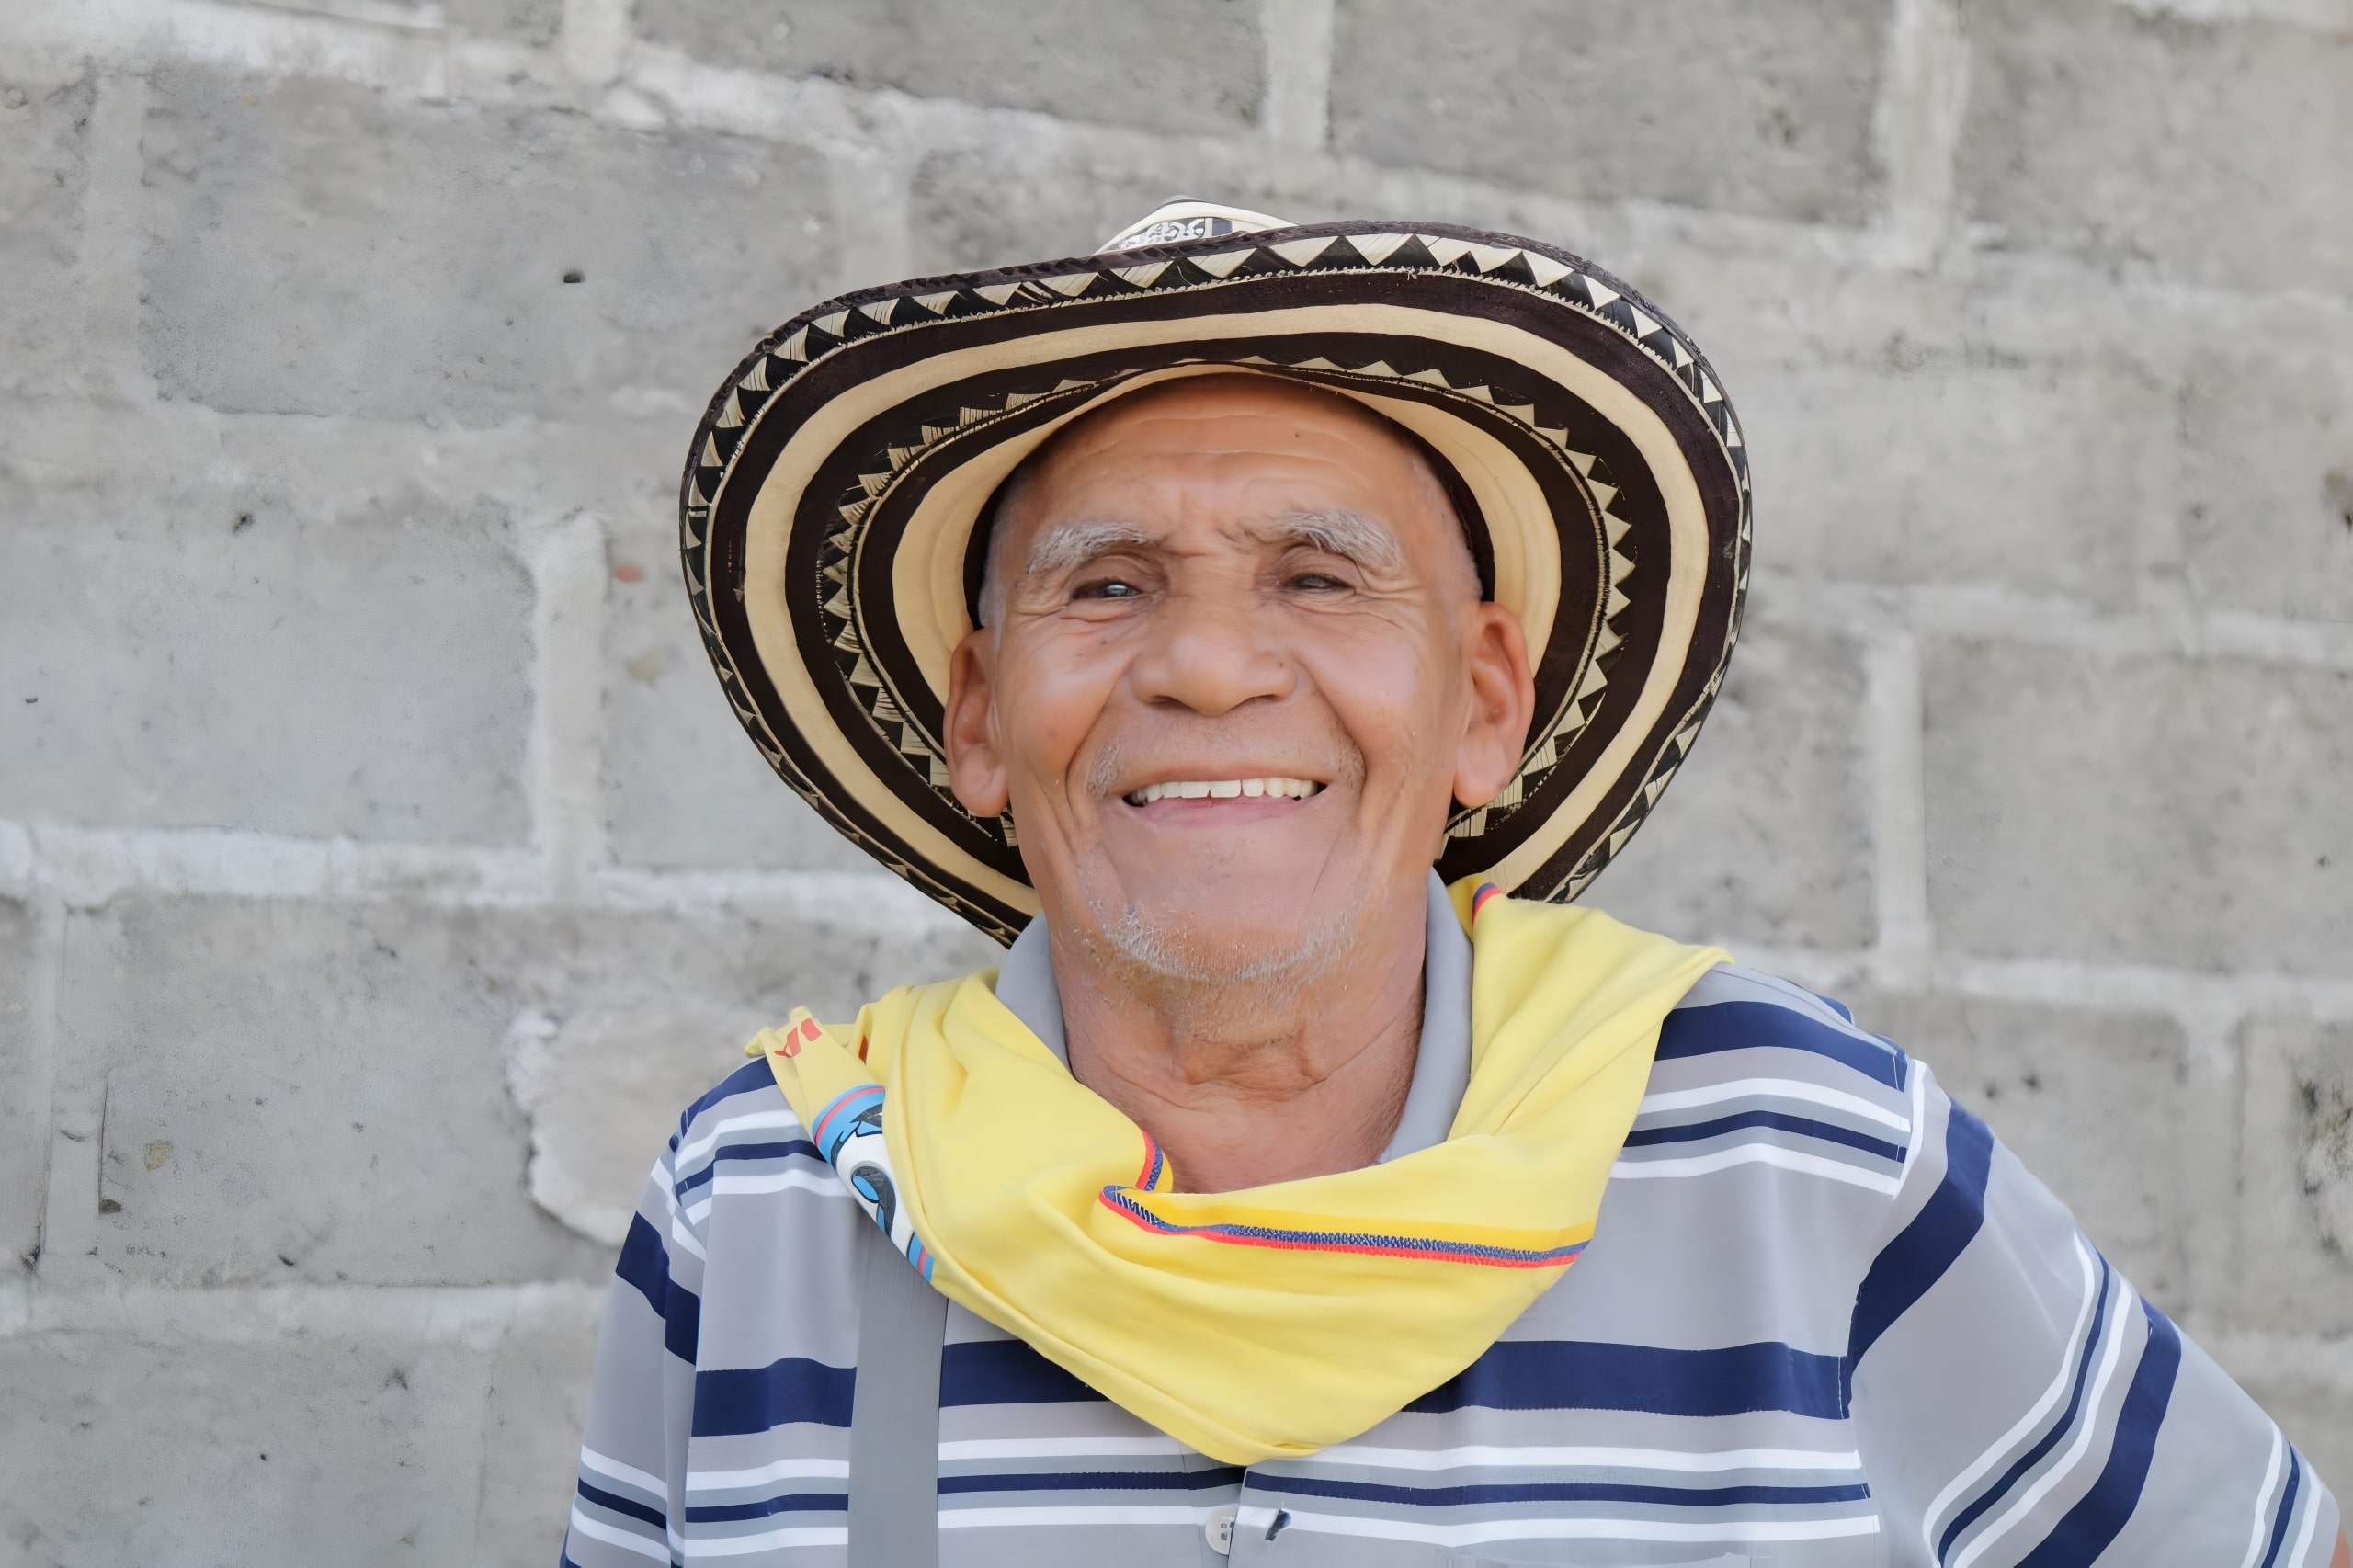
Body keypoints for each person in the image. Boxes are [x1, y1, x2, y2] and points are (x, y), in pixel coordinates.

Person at [559, 200, 2346, 1567]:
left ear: (1483, 702)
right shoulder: (769, 1201)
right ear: (975, 715)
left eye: (1318, 579)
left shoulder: (1791, 1148)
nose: (1201, 665)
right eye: (1103, 587)